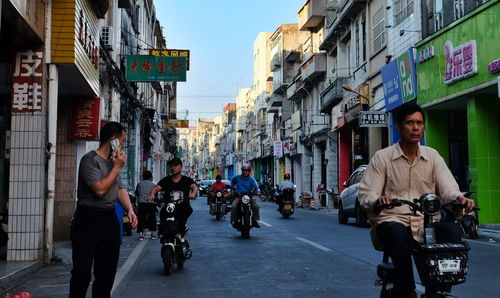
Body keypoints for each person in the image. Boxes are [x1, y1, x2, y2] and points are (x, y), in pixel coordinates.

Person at [358, 102, 475, 298]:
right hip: (394, 220)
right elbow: (366, 194)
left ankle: (438, 289)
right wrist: (379, 199)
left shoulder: (433, 156)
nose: (415, 128)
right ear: (398, 126)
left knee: (451, 230)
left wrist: (459, 199)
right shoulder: (382, 158)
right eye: (410, 123)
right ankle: (407, 288)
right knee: (394, 231)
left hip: (427, 222)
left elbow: (448, 188)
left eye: (419, 123)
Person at [69, 121, 138, 298]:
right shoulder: (90, 160)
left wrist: (129, 209)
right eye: (122, 139)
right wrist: (116, 167)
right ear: (114, 139)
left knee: (106, 273)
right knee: (82, 273)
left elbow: (120, 189)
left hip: (108, 218)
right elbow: (99, 190)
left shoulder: (116, 163)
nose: (123, 144)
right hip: (87, 219)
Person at [148, 158, 197, 236]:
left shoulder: (187, 180)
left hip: (183, 208)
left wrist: (193, 193)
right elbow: (156, 188)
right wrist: (152, 194)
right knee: (162, 214)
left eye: (175, 166)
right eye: (171, 166)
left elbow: (194, 187)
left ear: (181, 167)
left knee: (182, 219)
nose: (173, 168)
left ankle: (182, 232)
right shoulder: (165, 180)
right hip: (169, 208)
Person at [135, 170, 157, 240]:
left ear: (143, 177)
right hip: (151, 203)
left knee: (141, 218)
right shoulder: (153, 185)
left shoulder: (139, 184)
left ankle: (141, 235)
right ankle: (153, 234)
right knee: (152, 218)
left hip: (141, 203)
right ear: (151, 177)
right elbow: (155, 195)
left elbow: (137, 193)